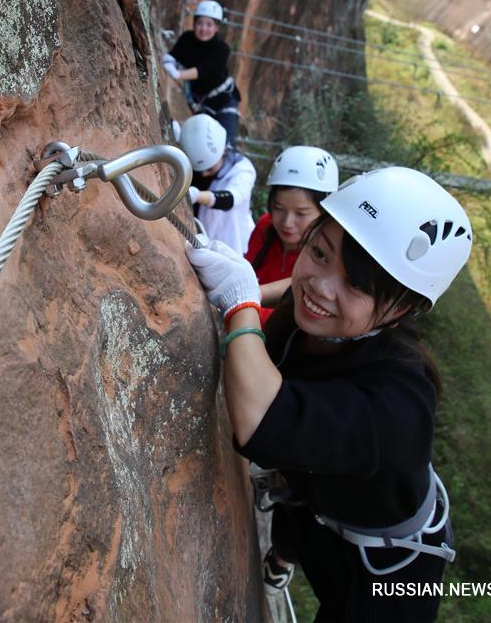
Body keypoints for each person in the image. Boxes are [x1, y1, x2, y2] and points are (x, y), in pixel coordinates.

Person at [187, 167, 472, 621]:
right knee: (294, 518)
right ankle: (280, 563)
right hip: (320, 505)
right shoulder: (325, 317)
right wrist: (253, 290)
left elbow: (260, 421)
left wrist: (241, 305)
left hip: (387, 580)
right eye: (319, 252)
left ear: (399, 310)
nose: (321, 286)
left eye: (357, 285)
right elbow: (298, 289)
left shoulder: (398, 406)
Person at [246, 146, 339, 325]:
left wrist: (241, 302)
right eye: (279, 209)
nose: (287, 222)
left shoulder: (326, 259)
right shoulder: (266, 227)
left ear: (325, 212)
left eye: (301, 213)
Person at [163, 0, 241, 144]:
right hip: (201, 104)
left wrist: (179, 74)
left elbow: (204, 70)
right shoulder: (187, 39)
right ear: (194, 23)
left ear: (217, 27)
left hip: (223, 101)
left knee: (225, 144)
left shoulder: (221, 49)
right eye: (199, 23)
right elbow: (173, 55)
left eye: (209, 24)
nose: (203, 29)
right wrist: (168, 61)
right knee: (203, 143)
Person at [179, 114, 256, 255]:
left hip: (233, 246)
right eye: (199, 171)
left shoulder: (242, 170)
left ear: (223, 151)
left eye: (210, 169)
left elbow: (230, 198)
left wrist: (196, 195)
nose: (204, 175)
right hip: (202, 240)